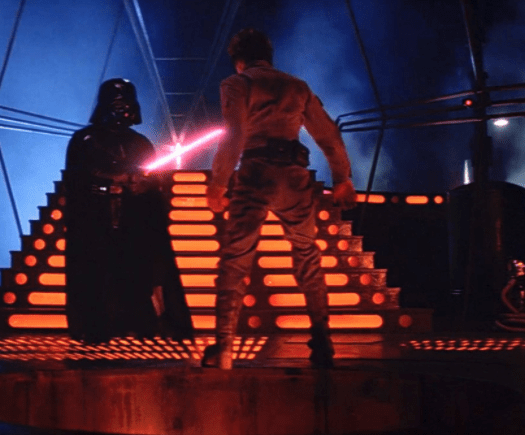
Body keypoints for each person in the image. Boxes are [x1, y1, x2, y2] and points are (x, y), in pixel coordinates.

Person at [202, 29, 357, 369]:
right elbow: (328, 134)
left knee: (236, 257)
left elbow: (235, 134)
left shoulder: (237, 83)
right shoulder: (297, 86)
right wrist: (342, 179)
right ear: (269, 57)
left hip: (256, 172)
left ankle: (223, 348)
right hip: (294, 175)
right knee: (306, 253)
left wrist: (218, 183)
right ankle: (322, 340)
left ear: (239, 61)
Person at [63, 78, 194, 344]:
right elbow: (76, 178)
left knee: (133, 272)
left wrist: (142, 185)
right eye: (116, 105)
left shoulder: (140, 143)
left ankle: (137, 322)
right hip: (95, 217)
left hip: (132, 217)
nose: (121, 112)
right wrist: (112, 181)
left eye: (126, 106)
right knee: (95, 274)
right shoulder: (85, 140)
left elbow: (152, 179)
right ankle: (95, 325)